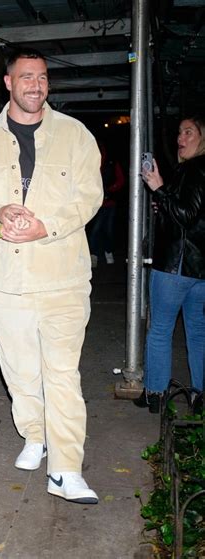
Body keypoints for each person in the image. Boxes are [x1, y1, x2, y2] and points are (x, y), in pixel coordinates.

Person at [0, 48, 103, 504]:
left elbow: (89, 197)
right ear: (8, 83)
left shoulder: (75, 136)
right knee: (20, 372)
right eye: (25, 77)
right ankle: (35, 434)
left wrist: (46, 226)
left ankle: (66, 469)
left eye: (41, 77)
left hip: (63, 278)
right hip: (7, 281)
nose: (35, 85)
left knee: (62, 375)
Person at [134, 116, 205, 413]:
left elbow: (186, 215)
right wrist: (164, 203)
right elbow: (192, 213)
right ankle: (199, 397)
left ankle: (155, 394)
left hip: (176, 266)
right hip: (199, 269)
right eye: (179, 133)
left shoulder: (194, 169)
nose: (181, 138)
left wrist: (159, 188)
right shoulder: (193, 170)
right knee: (197, 332)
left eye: (189, 132)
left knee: (160, 330)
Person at [88, 141, 125, 267]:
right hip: (94, 203)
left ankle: (108, 252)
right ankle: (94, 256)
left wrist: (109, 190)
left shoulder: (111, 162)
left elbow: (120, 180)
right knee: (95, 229)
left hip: (110, 202)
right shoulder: (90, 163)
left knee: (108, 230)